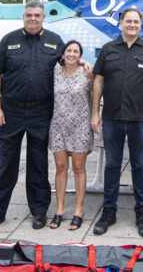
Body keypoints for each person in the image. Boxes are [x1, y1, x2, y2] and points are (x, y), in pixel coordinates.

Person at [0, 1, 65, 234]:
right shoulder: (9, 40)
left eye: (37, 15)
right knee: (5, 163)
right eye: (29, 15)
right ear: (23, 17)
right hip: (11, 111)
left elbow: (69, 65)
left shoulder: (55, 41)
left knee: (38, 163)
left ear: (44, 17)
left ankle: (39, 212)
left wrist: (85, 64)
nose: (33, 19)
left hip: (41, 111)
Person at [91, 8, 143, 237]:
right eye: (128, 21)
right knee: (111, 165)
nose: (132, 24)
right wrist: (95, 113)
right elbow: (98, 81)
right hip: (112, 117)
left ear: (141, 25)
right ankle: (108, 212)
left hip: (140, 119)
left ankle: (142, 213)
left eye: (136, 21)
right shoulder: (108, 49)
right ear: (120, 23)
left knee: (139, 166)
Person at [48, 40, 94, 231]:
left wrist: (86, 64)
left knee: (78, 167)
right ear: (62, 54)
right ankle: (59, 209)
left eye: (76, 51)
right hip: (58, 124)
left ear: (80, 55)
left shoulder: (87, 73)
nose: (72, 54)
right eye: (69, 51)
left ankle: (78, 210)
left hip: (80, 125)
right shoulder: (55, 73)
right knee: (60, 167)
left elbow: (99, 88)